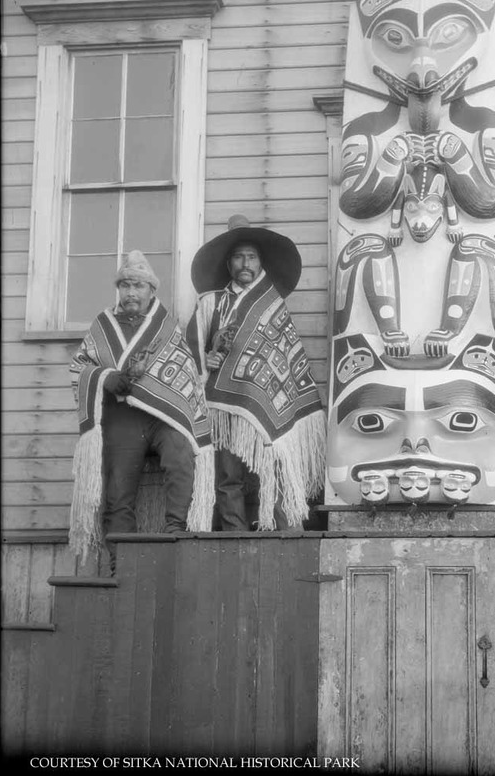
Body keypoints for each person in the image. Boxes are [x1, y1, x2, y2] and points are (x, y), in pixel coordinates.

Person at [69, 250, 215, 567]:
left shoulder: (167, 325)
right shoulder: (102, 325)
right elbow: (79, 368)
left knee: (181, 455)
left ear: (151, 290)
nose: (131, 292)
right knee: (117, 488)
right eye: (125, 285)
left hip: (164, 417)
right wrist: (107, 377)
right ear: (118, 290)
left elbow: (187, 375)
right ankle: (120, 563)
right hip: (122, 417)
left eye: (138, 286)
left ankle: (175, 535)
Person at [187, 215, 326, 531]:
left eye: (251, 256)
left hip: (270, 404)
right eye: (238, 257)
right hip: (224, 407)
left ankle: (282, 528)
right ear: (228, 263)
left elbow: (288, 357)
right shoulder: (211, 303)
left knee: (276, 468)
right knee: (228, 476)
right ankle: (233, 532)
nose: (245, 263)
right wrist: (206, 360)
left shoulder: (273, 304)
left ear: (260, 261)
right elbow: (191, 351)